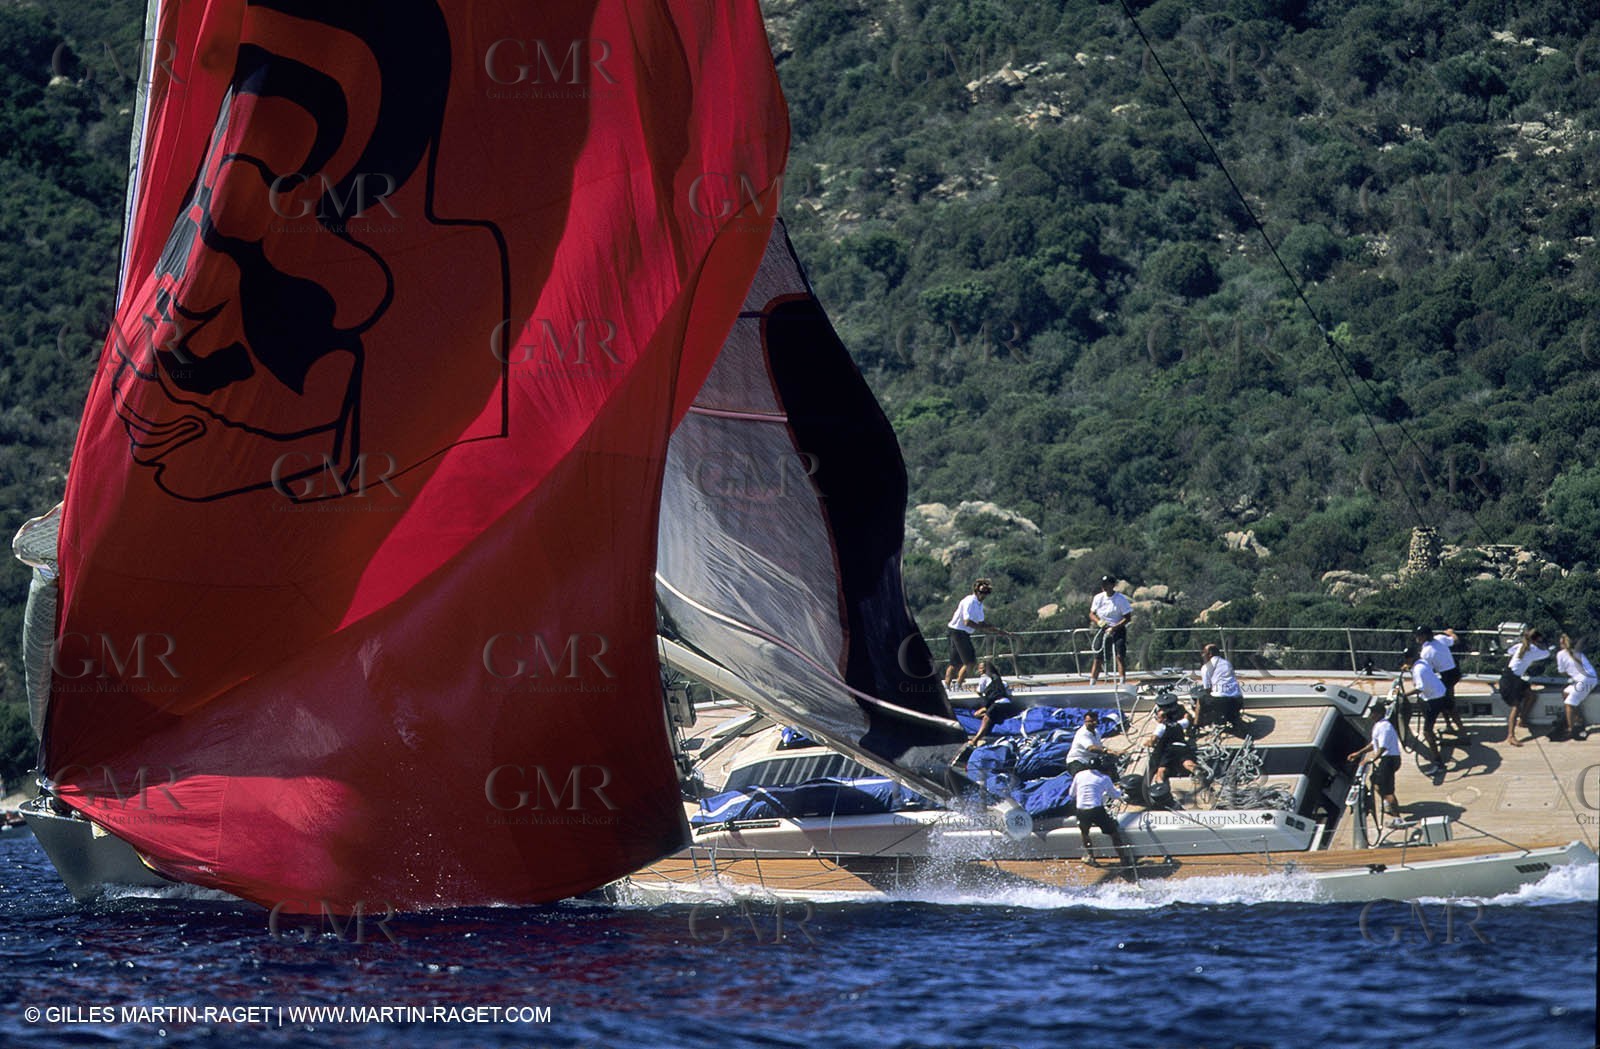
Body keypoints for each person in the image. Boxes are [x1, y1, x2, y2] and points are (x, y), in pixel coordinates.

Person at [944, 578, 1007, 690]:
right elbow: (967, 622)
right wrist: (981, 629)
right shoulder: (970, 601)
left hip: (961, 633)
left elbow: (982, 622)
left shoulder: (979, 605)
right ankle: (956, 685)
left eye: (986, 593)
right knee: (970, 662)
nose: (984, 595)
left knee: (956, 662)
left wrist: (997, 631)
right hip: (957, 632)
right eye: (982, 592)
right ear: (976, 591)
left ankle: (948, 686)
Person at [1072, 756, 1135, 868]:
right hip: (1096, 810)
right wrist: (1120, 791)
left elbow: (1071, 794)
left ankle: (1091, 857)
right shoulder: (1104, 778)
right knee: (1114, 834)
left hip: (1081, 810)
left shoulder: (1079, 775)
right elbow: (1115, 795)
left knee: (1085, 833)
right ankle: (1123, 859)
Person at [1348, 700, 1403, 824]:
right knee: (1375, 781)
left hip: (1388, 759)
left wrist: (1371, 760)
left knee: (1386, 789)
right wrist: (1358, 753)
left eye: (1373, 712)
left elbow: (1383, 747)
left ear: (1378, 713)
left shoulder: (1384, 727)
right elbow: (1374, 744)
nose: (1370, 714)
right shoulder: (1378, 725)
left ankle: (1397, 818)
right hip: (1387, 759)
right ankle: (1387, 803)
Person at [1500, 627, 1550, 747]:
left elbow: (1510, 651)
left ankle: (1523, 720)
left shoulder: (1520, 646)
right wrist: (1545, 645)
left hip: (1510, 676)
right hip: (1511, 680)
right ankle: (1511, 736)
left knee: (1531, 695)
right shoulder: (1533, 649)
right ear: (1537, 640)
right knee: (1515, 707)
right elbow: (1546, 654)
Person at [1415, 627, 1466, 736]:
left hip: (1445, 676)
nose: (1416, 638)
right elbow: (1456, 640)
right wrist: (1451, 633)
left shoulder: (1425, 652)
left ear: (1424, 636)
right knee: (1447, 703)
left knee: (1448, 705)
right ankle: (1452, 726)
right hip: (1454, 672)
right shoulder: (1440, 638)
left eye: (1418, 635)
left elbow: (1426, 670)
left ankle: (1460, 730)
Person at [1405, 652, 1449, 778]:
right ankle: (1448, 727)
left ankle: (1438, 763)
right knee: (1437, 713)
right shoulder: (1422, 662)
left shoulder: (1417, 670)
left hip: (1434, 700)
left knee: (1426, 732)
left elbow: (1420, 687)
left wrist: (1404, 695)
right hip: (1442, 693)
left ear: (1410, 659)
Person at [1145, 701, 1203, 791]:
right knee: (1187, 762)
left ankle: (1160, 787)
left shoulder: (1161, 726)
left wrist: (1148, 743)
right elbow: (1187, 718)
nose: (1157, 719)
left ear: (1163, 718)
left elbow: (1153, 741)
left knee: (1161, 770)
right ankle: (1197, 771)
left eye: (1158, 717)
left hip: (1170, 749)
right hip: (1182, 746)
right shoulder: (1179, 724)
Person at [1088, 576, 1133, 686]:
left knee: (1119, 656)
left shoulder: (1121, 599)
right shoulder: (1098, 598)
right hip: (1103, 629)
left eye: (1107, 584)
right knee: (1098, 657)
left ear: (1112, 585)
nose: (1104, 586)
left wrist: (1114, 627)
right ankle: (1092, 683)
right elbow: (1091, 613)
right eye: (1103, 584)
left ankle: (1122, 682)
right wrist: (1099, 622)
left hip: (1118, 629)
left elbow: (1127, 617)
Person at [966, 660, 1020, 748]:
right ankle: (995, 717)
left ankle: (974, 740)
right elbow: (1006, 690)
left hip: (997, 703)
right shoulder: (1000, 679)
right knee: (978, 714)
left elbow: (979, 690)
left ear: (984, 669)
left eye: (980, 668)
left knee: (986, 719)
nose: (979, 670)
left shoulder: (984, 678)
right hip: (1006, 703)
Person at [1196, 642, 1246, 735]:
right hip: (1238, 700)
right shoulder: (1227, 663)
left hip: (1221, 703)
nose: (1203, 655)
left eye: (1204, 653)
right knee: (1226, 703)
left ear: (1210, 654)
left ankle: (1195, 727)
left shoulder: (1206, 667)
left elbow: (1208, 690)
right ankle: (1233, 719)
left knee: (1201, 700)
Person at [1554, 634, 1595, 742]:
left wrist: (1569, 674)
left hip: (1584, 680)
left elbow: (1561, 671)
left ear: (1562, 643)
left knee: (1569, 703)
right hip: (1589, 679)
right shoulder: (1577, 652)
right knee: (1566, 692)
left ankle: (1571, 730)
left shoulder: (1560, 654)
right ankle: (1579, 719)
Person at [1066, 709, 1110, 773]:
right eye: (1090, 721)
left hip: (1089, 760)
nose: (1093, 723)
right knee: (1083, 776)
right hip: (1077, 761)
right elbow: (1091, 748)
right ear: (1085, 722)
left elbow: (1099, 747)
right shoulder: (1082, 733)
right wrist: (1107, 751)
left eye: (1095, 721)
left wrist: (1113, 752)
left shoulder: (1096, 732)